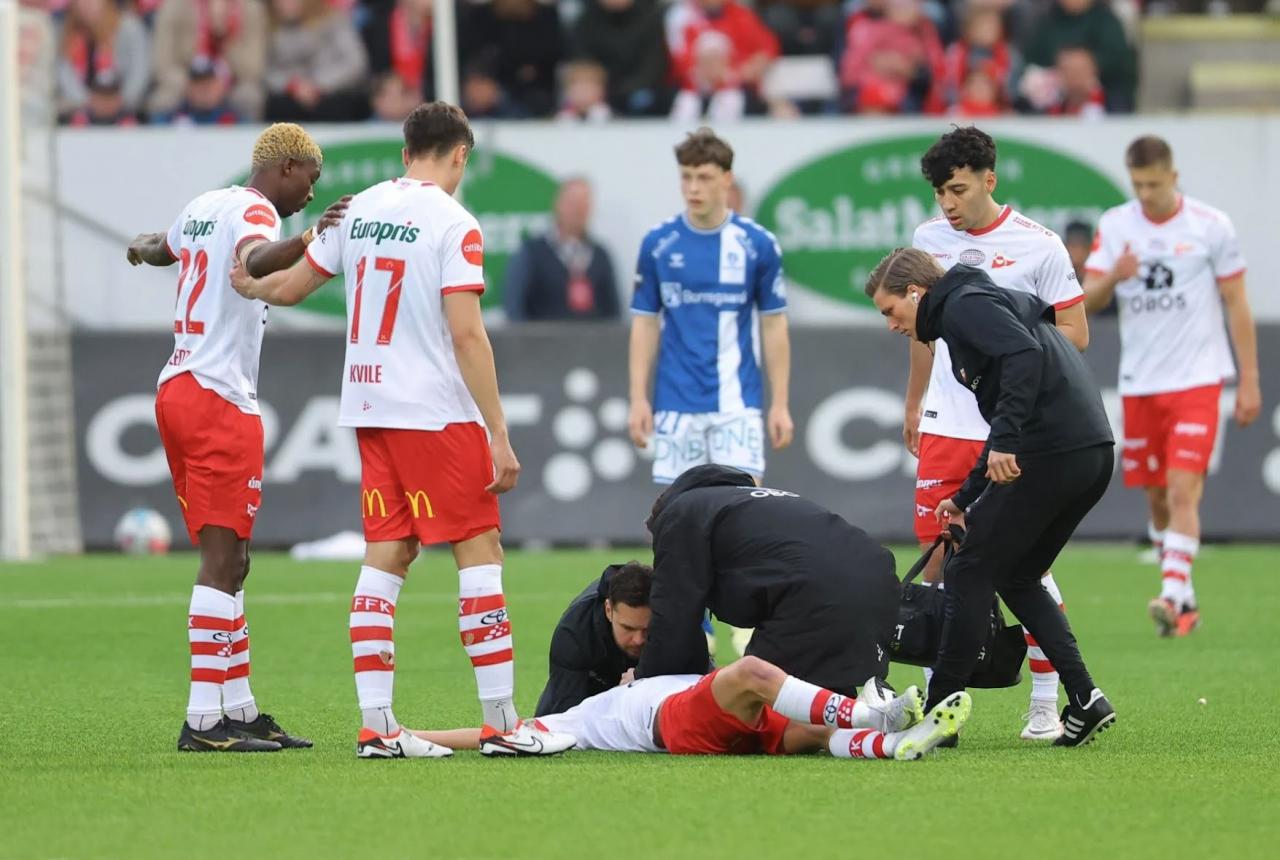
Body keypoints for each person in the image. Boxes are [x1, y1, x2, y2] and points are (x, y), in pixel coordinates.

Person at [228, 101, 576, 760]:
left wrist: (248, 284)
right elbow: (467, 332)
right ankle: (503, 724)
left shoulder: (355, 208)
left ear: (404, 152)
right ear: (460, 156)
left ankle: (379, 727)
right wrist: (498, 430)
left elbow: (294, 286)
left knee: (387, 555)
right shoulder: (454, 223)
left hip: (368, 407)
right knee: (480, 552)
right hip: (435, 412)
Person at [126, 123, 345, 752]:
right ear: (286, 166)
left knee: (235, 559)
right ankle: (202, 722)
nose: (311, 190)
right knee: (222, 561)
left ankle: (239, 709)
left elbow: (162, 248)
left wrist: (141, 249)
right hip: (218, 397)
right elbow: (252, 261)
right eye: (311, 176)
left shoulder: (204, 203)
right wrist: (309, 237)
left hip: (178, 388)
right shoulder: (254, 210)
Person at [866, 247, 1116, 748]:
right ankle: (1086, 699)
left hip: (1053, 451)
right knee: (1016, 575)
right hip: (1090, 453)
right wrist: (965, 497)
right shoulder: (977, 302)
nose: (891, 325)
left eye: (890, 311)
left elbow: (1023, 357)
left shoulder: (962, 305)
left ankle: (940, 710)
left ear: (916, 293)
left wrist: (1005, 443)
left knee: (969, 568)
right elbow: (1015, 385)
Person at [906, 126, 1089, 742]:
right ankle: (946, 709)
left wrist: (1007, 346)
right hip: (944, 422)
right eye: (939, 194)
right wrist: (915, 403)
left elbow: (1075, 336)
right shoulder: (929, 241)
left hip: (1006, 429)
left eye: (958, 190)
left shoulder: (1039, 246)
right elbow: (922, 331)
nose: (948, 205)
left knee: (1023, 567)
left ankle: (1043, 697)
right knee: (939, 562)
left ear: (990, 178)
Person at [1083, 135, 1261, 638]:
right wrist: (1114, 276)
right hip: (1141, 382)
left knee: (1185, 487)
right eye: (1137, 184)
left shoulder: (1210, 225)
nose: (1145, 194)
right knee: (1158, 498)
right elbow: (1087, 300)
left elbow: (1236, 302)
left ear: (1174, 176)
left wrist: (1249, 379)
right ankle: (1184, 601)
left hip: (1198, 378)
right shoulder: (1117, 226)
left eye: (1154, 184)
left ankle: (1170, 589)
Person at [634, 465, 899, 698]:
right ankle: (871, 710)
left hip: (813, 596)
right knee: (822, 701)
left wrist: (644, 683)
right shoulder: (745, 501)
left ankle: (869, 716)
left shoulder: (681, 514)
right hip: (878, 582)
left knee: (747, 703)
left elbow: (675, 615)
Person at [416, 655, 971, 762]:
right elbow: (495, 734)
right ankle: (873, 716)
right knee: (753, 672)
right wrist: (421, 735)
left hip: (717, 721)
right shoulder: (579, 714)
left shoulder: (661, 667)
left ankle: (893, 744)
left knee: (805, 731)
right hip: (673, 723)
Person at [628, 128, 793, 486]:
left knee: (744, 516)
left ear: (726, 179)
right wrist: (638, 398)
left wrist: (779, 403)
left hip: (738, 404)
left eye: (703, 178)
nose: (693, 188)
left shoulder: (757, 244)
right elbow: (644, 323)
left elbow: (773, 325)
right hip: (675, 401)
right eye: (686, 177)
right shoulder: (658, 244)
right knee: (675, 519)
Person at [535, 561, 712, 716]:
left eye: (648, 629)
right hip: (592, 692)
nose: (638, 640)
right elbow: (567, 712)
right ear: (608, 611)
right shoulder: (576, 630)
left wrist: (642, 677)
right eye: (628, 628)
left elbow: (702, 684)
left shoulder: (676, 622)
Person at [503, 178, 620, 322]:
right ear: (558, 205)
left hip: (591, 342)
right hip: (542, 342)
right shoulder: (532, 252)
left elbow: (613, 313)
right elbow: (514, 308)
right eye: (573, 204)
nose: (578, 211)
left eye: (583, 205)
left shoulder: (601, 255)